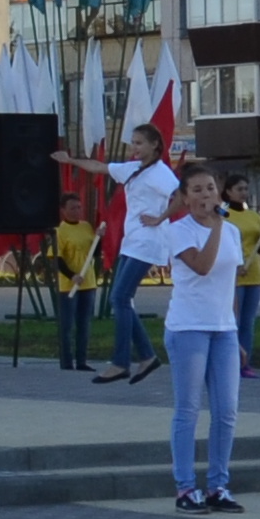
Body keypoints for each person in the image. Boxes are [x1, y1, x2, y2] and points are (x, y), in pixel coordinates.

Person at [154, 161, 245, 511]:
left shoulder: (232, 232)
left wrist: (234, 333)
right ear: (185, 198)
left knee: (226, 411)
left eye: (210, 188)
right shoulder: (180, 230)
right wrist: (217, 226)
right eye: (197, 190)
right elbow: (204, 266)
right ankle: (185, 488)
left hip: (222, 329)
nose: (206, 195)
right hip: (188, 327)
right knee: (188, 409)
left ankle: (218, 486)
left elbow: (228, 284)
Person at [99, 135, 173, 381]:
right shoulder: (133, 169)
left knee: (120, 297)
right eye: (133, 143)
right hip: (132, 243)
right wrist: (68, 159)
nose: (134, 147)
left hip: (148, 241)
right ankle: (147, 356)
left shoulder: (160, 173)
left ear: (154, 145)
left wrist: (160, 218)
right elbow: (100, 167)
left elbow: (181, 195)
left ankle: (121, 362)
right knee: (122, 300)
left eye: (140, 142)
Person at [46, 195, 101, 373]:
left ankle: (82, 361)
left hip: (88, 283)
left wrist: (100, 238)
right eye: (73, 208)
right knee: (67, 326)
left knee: (84, 325)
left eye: (79, 207)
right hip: (68, 286)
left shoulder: (86, 227)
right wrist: (72, 275)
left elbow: (95, 252)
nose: (77, 211)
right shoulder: (59, 231)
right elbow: (57, 258)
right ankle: (67, 363)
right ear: (63, 210)